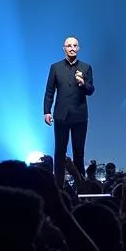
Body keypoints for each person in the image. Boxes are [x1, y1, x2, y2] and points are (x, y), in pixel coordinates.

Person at [43, 36, 96, 186]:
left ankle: (81, 186)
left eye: (75, 45)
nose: (72, 48)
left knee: (79, 152)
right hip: (61, 116)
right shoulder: (56, 67)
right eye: (69, 46)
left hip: (80, 116)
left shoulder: (86, 67)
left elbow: (91, 90)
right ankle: (58, 186)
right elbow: (49, 91)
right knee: (59, 152)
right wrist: (47, 111)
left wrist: (83, 83)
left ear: (78, 48)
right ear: (64, 48)